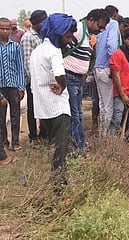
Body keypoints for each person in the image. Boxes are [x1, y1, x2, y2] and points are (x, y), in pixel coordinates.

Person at [30, 13, 77, 194]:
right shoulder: (54, 52)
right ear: (57, 34)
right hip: (58, 109)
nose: (70, 39)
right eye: (67, 35)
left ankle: (58, 184)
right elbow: (59, 73)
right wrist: (62, 86)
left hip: (43, 108)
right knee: (60, 152)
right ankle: (59, 189)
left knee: (57, 149)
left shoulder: (38, 51)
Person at [63, 9, 109, 153]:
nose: (100, 30)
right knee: (74, 114)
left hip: (78, 78)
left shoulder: (89, 35)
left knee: (79, 114)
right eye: (99, 26)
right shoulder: (77, 30)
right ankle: (77, 147)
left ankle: (79, 142)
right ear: (90, 20)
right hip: (69, 77)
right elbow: (62, 50)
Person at [20, 9, 48, 148]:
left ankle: (43, 134)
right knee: (32, 108)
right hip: (33, 81)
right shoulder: (28, 38)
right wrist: (35, 82)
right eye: (43, 22)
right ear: (37, 23)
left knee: (43, 107)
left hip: (43, 80)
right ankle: (33, 136)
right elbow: (27, 63)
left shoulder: (42, 36)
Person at [108, 29, 129, 141]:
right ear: (125, 40)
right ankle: (110, 143)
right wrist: (122, 95)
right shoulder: (118, 54)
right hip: (121, 92)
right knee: (117, 117)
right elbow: (115, 76)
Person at [94, 5, 120, 134]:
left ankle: (101, 132)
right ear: (114, 15)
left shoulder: (100, 26)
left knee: (102, 103)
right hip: (107, 67)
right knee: (109, 105)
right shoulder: (113, 24)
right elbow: (111, 44)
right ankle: (105, 135)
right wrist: (113, 64)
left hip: (97, 67)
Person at [0, 17, 25, 152]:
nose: (4, 31)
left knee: (15, 115)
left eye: (7, 28)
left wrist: (21, 88)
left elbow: (20, 67)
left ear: (11, 29)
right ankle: (4, 142)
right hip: (1, 88)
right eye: (1, 28)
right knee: (1, 117)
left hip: (14, 87)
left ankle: (15, 142)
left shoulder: (15, 46)